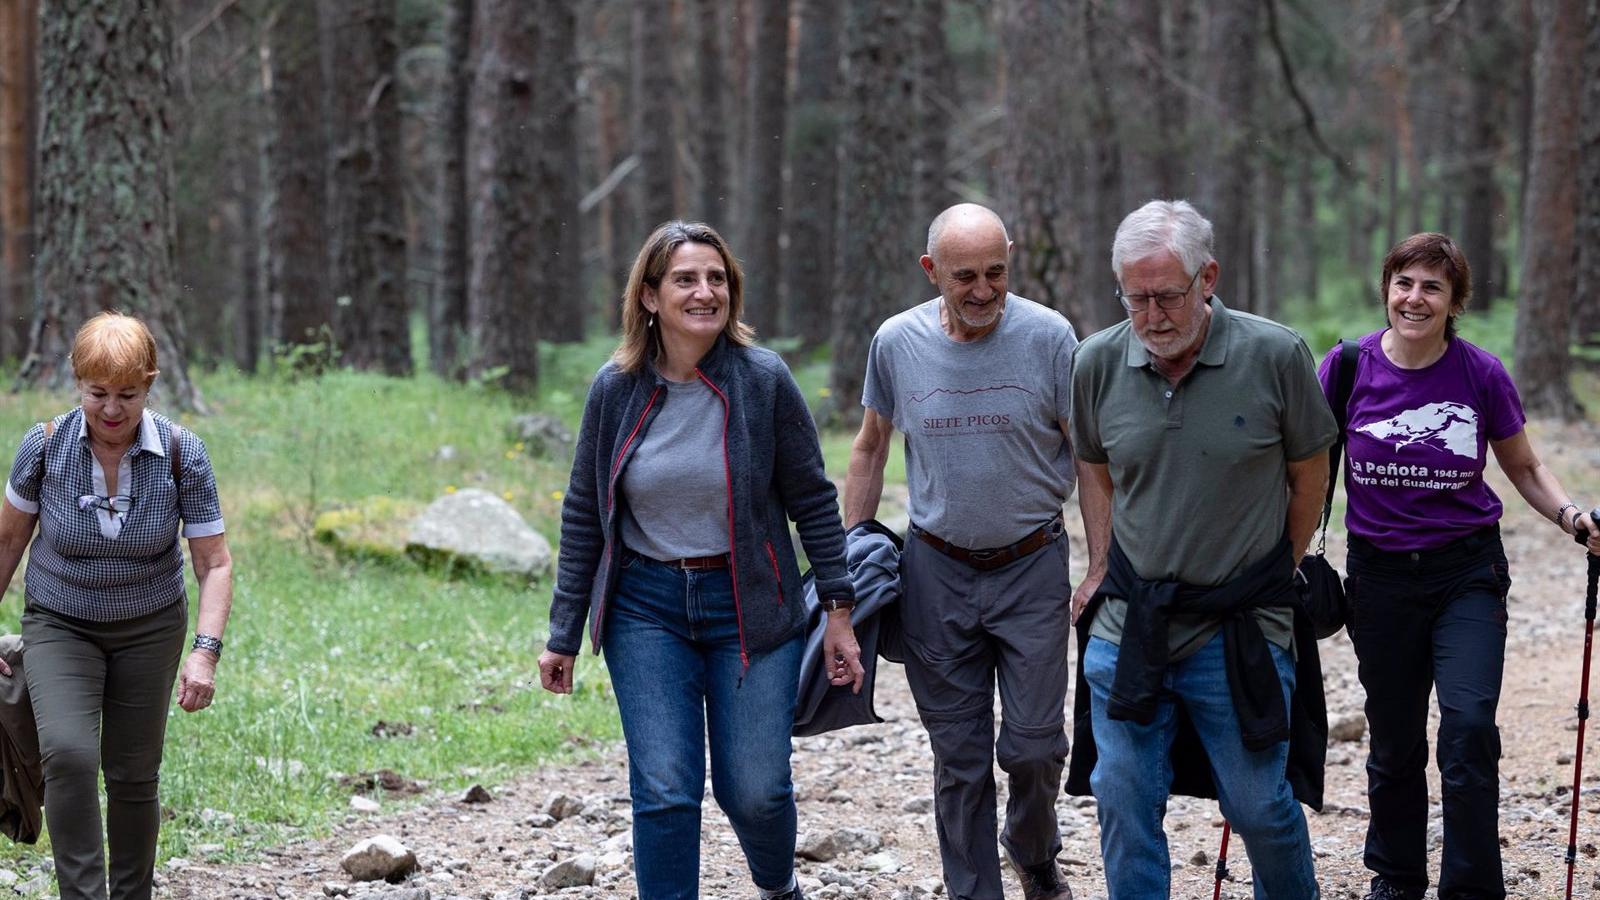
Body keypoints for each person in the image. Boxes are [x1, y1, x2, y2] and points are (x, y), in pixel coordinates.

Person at [536, 221, 860, 900]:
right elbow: (583, 512)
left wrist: (838, 609)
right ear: (650, 296)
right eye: (686, 279)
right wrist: (563, 633)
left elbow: (813, 499)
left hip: (749, 608)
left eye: (717, 279)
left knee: (756, 790)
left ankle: (777, 888)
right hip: (644, 609)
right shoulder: (615, 389)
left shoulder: (763, 380)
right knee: (664, 789)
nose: (704, 292)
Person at [1321, 232, 1600, 900]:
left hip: (1464, 573)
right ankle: (1397, 874)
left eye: (1432, 287)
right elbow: (1303, 464)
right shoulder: (1348, 366)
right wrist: (1283, 549)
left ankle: (1472, 887)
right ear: (1387, 287)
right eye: (1405, 283)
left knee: (1469, 727)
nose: (1415, 298)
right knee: (1393, 738)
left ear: (1453, 302)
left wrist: (1573, 518)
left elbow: (1524, 466)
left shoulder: (1479, 374)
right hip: (1379, 576)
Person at [1068, 200, 1334, 898]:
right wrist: (1099, 563)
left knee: (1257, 806)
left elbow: (1311, 467)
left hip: (1240, 624)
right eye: (1136, 298)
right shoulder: (1096, 361)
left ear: (1208, 277)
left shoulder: (1274, 353)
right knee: (1123, 801)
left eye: (1167, 296)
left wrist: (1284, 560)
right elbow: (1093, 464)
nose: (1151, 315)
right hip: (1132, 619)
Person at [844, 203, 1078, 900]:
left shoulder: (1050, 337)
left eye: (997, 273)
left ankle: (1032, 848)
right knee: (962, 756)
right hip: (935, 571)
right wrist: (848, 564)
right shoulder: (897, 342)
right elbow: (869, 445)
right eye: (965, 276)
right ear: (931, 271)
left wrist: (1104, 563)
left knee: (1035, 747)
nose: (983, 291)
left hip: (1033, 564)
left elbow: (1091, 457)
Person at [0, 311, 234, 900]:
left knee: (133, 775)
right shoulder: (45, 446)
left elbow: (214, 562)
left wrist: (205, 654)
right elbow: (8, 540)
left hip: (150, 628)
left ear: (150, 385)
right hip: (60, 623)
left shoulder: (184, 453)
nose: (111, 409)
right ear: (78, 383)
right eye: (98, 393)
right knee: (69, 755)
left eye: (127, 394)